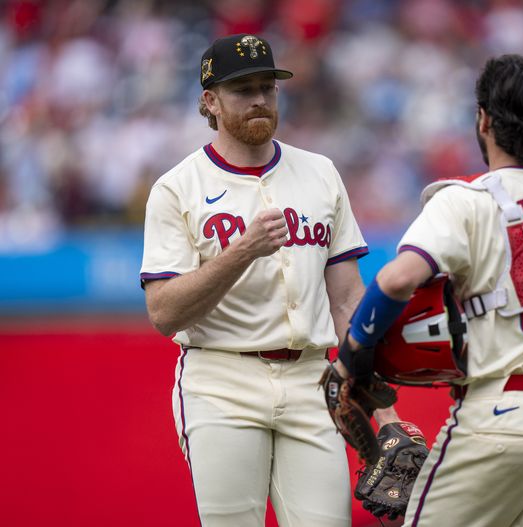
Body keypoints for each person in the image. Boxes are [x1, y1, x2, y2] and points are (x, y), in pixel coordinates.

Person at [331, 54, 523, 527]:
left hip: (499, 414)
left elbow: (396, 279)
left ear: (484, 119)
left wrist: (353, 353)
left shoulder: (467, 200)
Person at [139, 33, 378, 527]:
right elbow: (164, 313)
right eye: (242, 89)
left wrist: (383, 404)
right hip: (222, 378)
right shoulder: (177, 187)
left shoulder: (320, 173)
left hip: (312, 379)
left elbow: (348, 298)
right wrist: (242, 250)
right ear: (210, 101)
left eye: (267, 87)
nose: (259, 100)